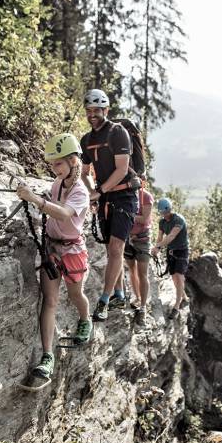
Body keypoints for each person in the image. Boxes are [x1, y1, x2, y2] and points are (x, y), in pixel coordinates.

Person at [16, 133, 92, 380]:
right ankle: (47, 357)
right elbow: (54, 203)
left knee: (75, 294)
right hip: (52, 248)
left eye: (58, 163)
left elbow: (64, 214)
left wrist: (35, 199)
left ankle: (85, 318)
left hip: (72, 250)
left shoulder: (80, 191)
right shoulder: (58, 184)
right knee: (50, 301)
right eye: (52, 164)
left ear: (73, 161)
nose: (54, 168)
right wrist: (40, 197)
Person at [80, 89, 139, 322]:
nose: (92, 114)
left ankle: (104, 301)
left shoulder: (117, 132)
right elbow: (84, 172)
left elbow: (122, 170)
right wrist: (91, 192)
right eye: (89, 110)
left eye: (97, 110)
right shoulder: (86, 140)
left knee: (115, 248)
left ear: (106, 110)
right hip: (105, 198)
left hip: (125, 196)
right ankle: (120, 295)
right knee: (111, 250)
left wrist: (99, 191)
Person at [119, 181, 154, 326]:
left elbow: (144, 219)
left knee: (142, 273)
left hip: (142, 240)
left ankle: (143, 307)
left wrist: (126, 213)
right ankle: (138, 298)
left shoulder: (146, 197)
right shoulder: (126, 196)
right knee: (132, 269)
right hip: (128, 238)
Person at [151, 197, 189, 319]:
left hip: (182, 251)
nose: (165, 215)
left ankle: (176, 306)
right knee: (174, 277)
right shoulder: (162, 222)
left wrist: (158, 246)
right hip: (171, 251)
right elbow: (160, 237)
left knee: (179, 277)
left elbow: (171, 236)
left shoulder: (179, 220)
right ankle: (184, 296)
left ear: (170, 210)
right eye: (163, 213)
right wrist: (157, 248)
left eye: (167, 212)